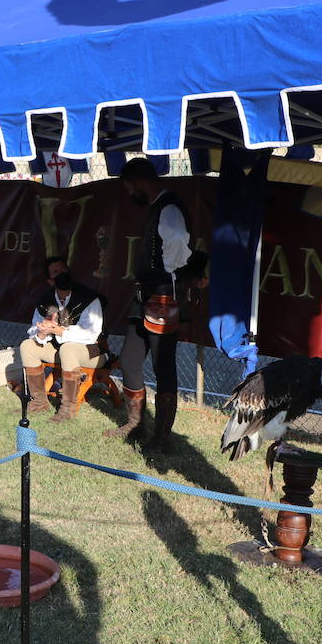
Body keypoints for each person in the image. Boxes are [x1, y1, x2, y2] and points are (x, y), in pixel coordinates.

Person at [106, 157, 205, 454]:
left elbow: (177, 241)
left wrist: (176, 272)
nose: (128, 193)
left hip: (162, 298)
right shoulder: (158, 207)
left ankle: (162, 439)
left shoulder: (168, 207)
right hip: (145, 298)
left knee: (164, 367)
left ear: (138, 182)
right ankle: (136, 424)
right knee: (131, 358)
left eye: (128, 186)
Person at [19, 256, 105, 423]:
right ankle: (38, 402)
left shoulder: (89, 298)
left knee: (68, 348)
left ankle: (68, 409)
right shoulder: (46, 300)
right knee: (27, 346)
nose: (61, 274)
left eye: (63, 270)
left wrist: (59, 330)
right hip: (60, 350)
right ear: (50, 281)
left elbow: (91, 333)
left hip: (92, 352)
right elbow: (33, 329)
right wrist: (43, 332)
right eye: (56, 272)